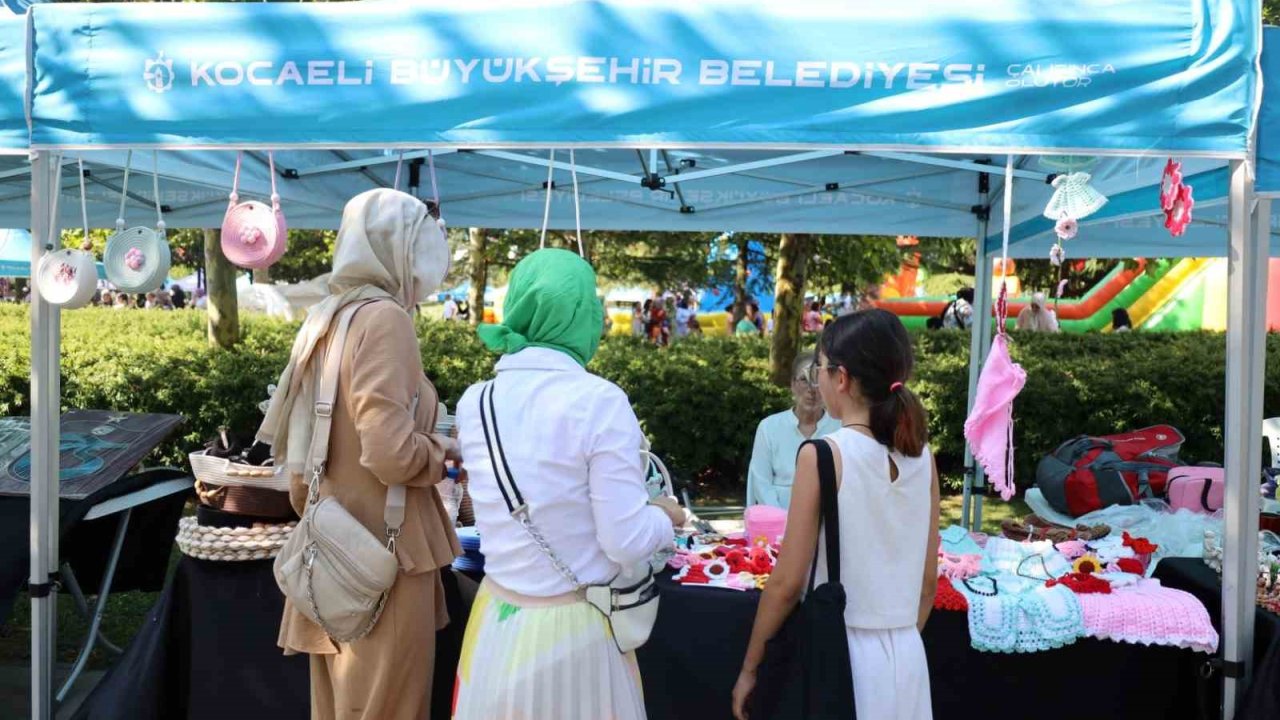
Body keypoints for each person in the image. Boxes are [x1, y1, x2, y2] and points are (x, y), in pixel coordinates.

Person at [452, 249, 682, 720]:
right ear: (578, 313)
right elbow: (625, 540)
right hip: (575, 634)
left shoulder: (476, 401)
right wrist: (666, 516)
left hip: (496, 624)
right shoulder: (600, 401)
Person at [262, 189, 460, 720]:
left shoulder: (328, 316)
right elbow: (390, 453)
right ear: (398, 247)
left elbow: (308, 448)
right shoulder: (385, 319)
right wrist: (443, 450)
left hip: (331, 546)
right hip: (382, 555)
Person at [733, 309, 940, 720]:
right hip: (906, 654)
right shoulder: (923, 458)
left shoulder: (824, 455)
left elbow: (786, 583)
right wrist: (898, 640)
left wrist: (749, 668)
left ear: (840, 378)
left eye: (821, 368)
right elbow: (927, 582)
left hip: (841, 656)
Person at [746, 350, 842, 509]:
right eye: (804, 380)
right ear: (792, 384)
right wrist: (781, 519)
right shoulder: (769, 427)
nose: (811, 389)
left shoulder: (839, 427)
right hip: (777, 515)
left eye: (817, 380)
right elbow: (761, 483)